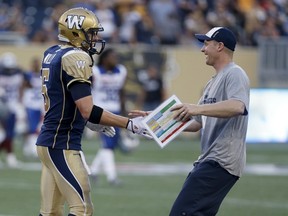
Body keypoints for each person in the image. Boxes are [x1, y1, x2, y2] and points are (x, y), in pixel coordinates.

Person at [36, 7, 151, 216]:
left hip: (49, 142)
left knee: (50, 212)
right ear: (76, 32)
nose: (96, 37)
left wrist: (86, 120)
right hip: (62, 143)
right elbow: (87, 109)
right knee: (82, 209)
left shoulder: (52, 52)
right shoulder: (76, 57)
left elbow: (63, 98)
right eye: (92, 33)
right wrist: (129, 124)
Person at [130, 27, 250, 216]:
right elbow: (196, 123)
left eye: (206, 44)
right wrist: (155, 120)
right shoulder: (213, 81)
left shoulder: (235, 73)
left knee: (181, 212)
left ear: (220, 46)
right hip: (210, 160)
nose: (202, 49)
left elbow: (238, 107)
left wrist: (197, 108)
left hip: (221, 161)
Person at [89, 48, 128, 186]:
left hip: (115, 110)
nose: (115, 59)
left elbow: (121, 92)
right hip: (100, 111)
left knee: (110, 145)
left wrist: (124, 111)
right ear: (105, 58)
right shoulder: (95, 71)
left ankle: (93, 170)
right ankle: (112, 177)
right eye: (113, 56)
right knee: (107, 144)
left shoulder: (121, 71)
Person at [0, 52, 24, 168]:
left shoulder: (19, 74)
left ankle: (10, 156)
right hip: (2, 106)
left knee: (10, 133)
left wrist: (20, 101)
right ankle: (10, 156)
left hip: (13, 106)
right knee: (4, 134)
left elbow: (22, 87)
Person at [22, 57, 44, 158]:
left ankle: (29, 146)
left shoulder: (42, 75)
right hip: (30, 103)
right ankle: (29, 147)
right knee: (30, 126)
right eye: (34, 63)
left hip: (39, 103)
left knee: (36, 126)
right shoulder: (28, 75)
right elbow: (23, 86)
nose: (35, 65)